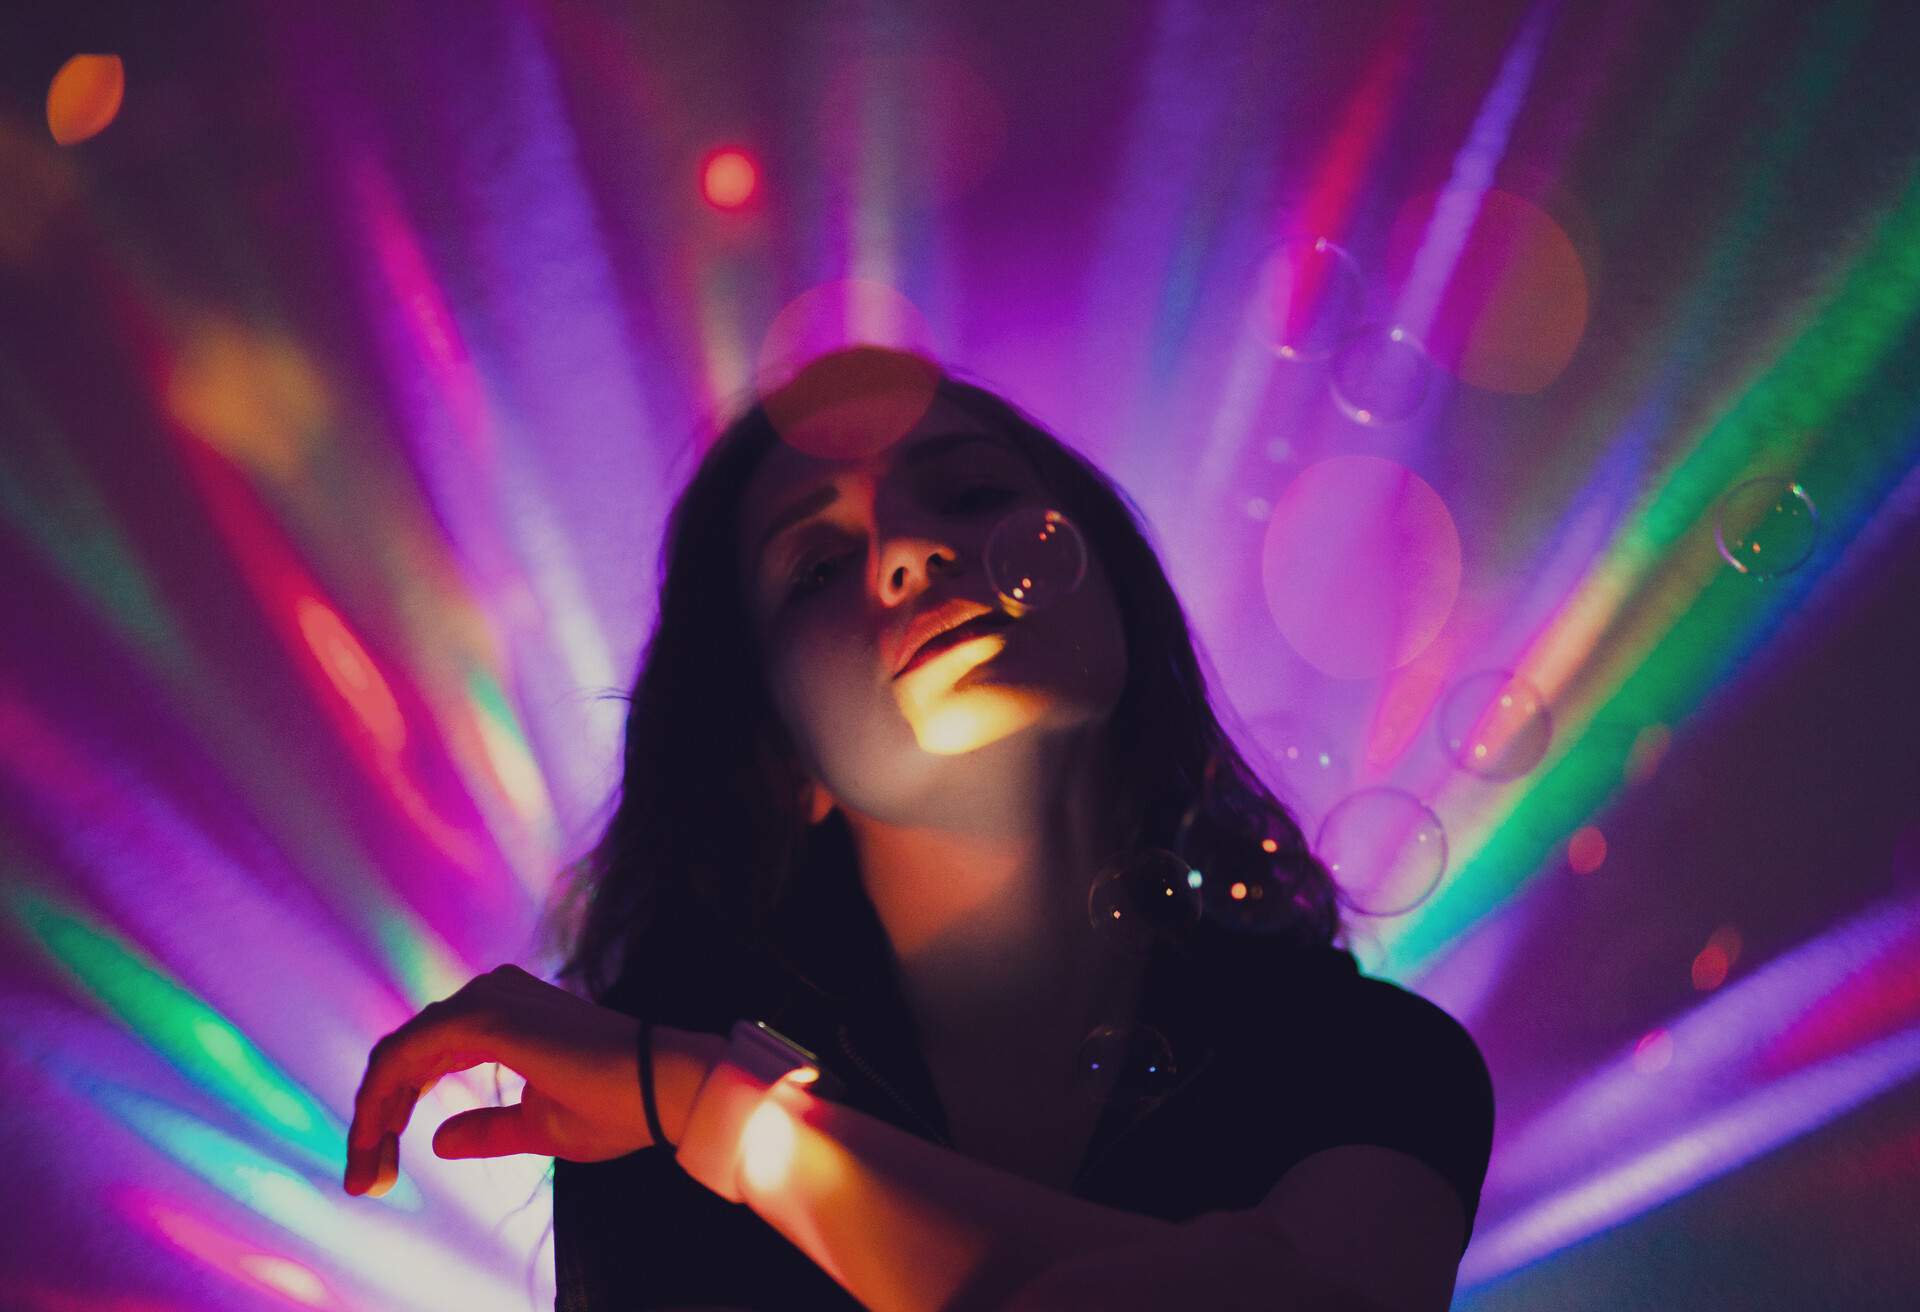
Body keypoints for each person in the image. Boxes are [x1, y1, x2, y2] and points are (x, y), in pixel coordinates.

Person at [343, 349, 1496, 1311]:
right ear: (783, 756)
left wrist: (716, 1111)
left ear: (1113, 588)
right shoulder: (639, 1130)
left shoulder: (1371, 1059)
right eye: (819, 564)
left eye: (974, 493)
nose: (911, 553)